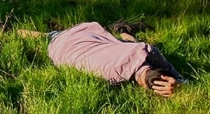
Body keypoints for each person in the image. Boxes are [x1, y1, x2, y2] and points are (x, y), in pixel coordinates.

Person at [17, 21, 184, 97]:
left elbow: (177, 76)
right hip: (62, 45)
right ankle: (124, 29)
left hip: (88, 35)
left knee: (125, 44)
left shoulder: (147, 50)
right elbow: (180, 78)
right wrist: (179, 86)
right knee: (50, 36)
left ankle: (123, 29)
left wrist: (177, 84)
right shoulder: (112, 75)